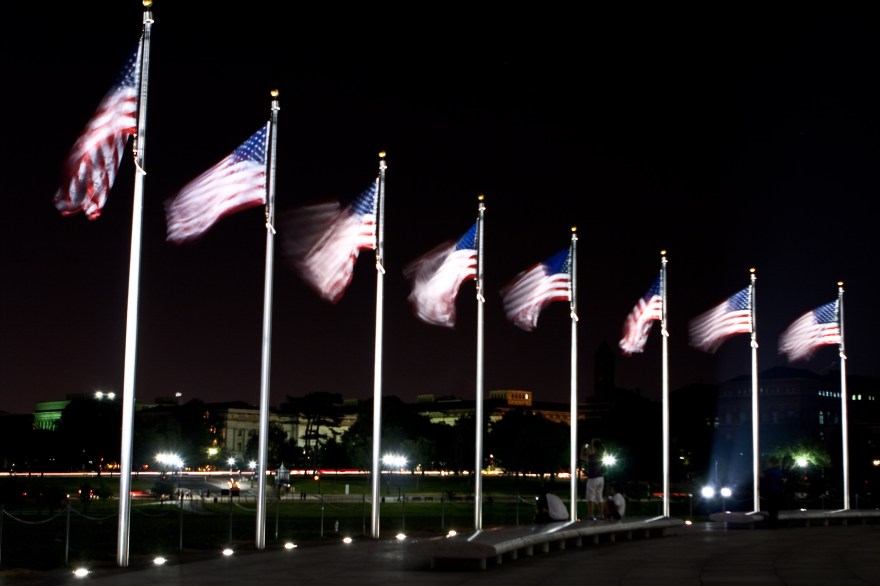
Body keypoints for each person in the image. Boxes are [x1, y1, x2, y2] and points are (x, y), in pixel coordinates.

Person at [582, 439, 606, 520]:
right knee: (599, 496)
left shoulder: (592, 456)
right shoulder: (601, 455)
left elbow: (582, 457)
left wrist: (582, 449)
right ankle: (601, 515)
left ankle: (590, 514)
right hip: (601, 478)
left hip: (593, 478)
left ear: (594, 447)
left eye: (591, 445)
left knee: (590, 496)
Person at [761, 455, 785, 528]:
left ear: (771, 462)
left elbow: (761, 475)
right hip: (777, 491)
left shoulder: (769, 470)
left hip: (770, 491)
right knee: (775, 508)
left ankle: (772, 524)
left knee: (770, 508)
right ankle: (775, 523)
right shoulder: (779, 470)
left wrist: (758, 468)